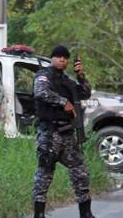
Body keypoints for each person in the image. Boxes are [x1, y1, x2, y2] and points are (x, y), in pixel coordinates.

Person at [32, 45, 95, 218]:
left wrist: (81, 75)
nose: (62, 60)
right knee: (44, 175)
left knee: (80, 173)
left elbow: (85, 93)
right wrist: (62, 102)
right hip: (50, 135)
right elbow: (40, 92)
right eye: (59, 56)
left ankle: (86, 213)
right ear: (52, 58)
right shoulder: (43, 75)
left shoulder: (67, 80)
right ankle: (39, 214)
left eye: (65, 58)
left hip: (67, 136)